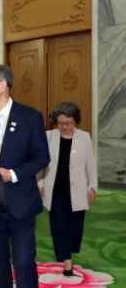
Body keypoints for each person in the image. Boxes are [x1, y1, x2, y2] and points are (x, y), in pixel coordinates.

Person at [0, 65, 50, 288]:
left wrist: (12, 174)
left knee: (23, 261)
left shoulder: (30, 117)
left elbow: (42, 157)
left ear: (2, 85)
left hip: (21, 203)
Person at [38, 102, 97, 276]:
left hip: (77, 189)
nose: (64, 127)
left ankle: (66, 251)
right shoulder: (48, 136)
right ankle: (67, 262)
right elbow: (40, 163)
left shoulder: (84, 137)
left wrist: (92, 186)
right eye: (61, 123)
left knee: (74, 226)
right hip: (54, 188)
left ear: (75, 121)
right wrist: (40, 183)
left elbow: (90, 164)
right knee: (59, 225)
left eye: (68, 123)